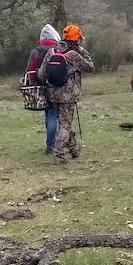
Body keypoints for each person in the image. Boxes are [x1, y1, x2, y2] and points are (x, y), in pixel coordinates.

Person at [45, 24, 95, 164]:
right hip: (68, 95)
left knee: (64, 122)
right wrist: (84, 53)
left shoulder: (52, 51)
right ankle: (59, 155)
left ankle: (73, 149)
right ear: (77, 38)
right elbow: (91, 67)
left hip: (52, 94)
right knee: (65, 125)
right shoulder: (75, 54)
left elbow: (42, 73)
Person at [24, 25, 61, 154]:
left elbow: (30, 71)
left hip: (40, 88)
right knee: (53, 115)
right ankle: (51, 145)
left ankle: (50, 144)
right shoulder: (58, 50)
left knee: (47, 114)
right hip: (56, 87)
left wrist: (33, 82)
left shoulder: (36, 51)